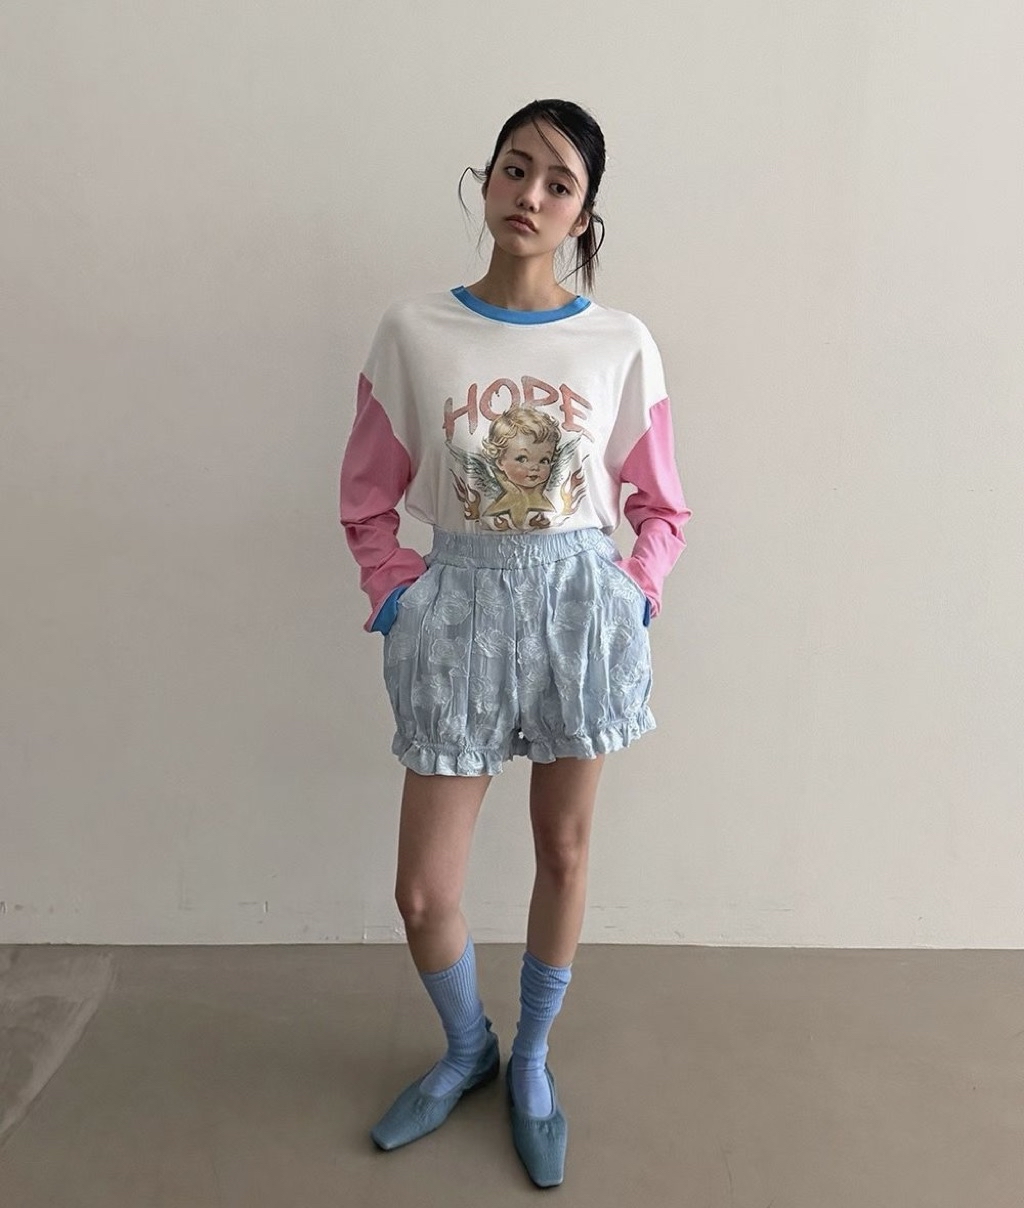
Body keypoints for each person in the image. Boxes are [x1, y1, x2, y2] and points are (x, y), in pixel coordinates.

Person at [339, 98, 691, 1188]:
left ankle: (531, 1060)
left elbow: (661, 504)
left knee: (562, 851)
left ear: (585, 214)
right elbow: (367, 497)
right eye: (514, 168)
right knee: (422, 890)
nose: (530, 195)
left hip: (579, 610)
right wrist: (398, 599)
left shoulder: (619, 342)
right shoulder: (414, 331)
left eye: (558, 183)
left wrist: (632, 595)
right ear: (484, 179)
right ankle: (467, 1049)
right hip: (459, 610)